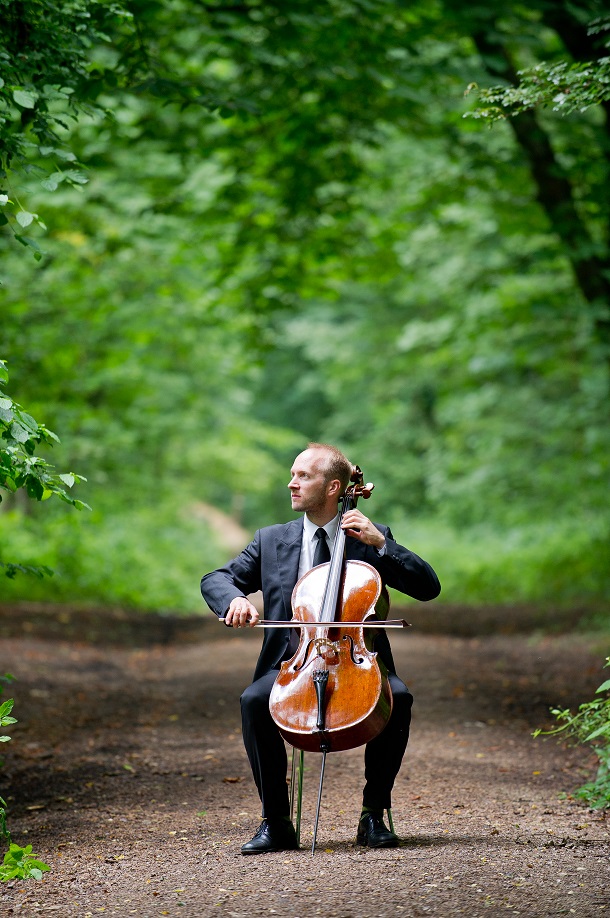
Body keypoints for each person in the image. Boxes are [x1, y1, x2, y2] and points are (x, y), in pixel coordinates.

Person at [200, 442, 440, 854]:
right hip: (292, 663)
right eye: (293, 474)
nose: (291, 483)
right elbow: (216, 578)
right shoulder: (271, 541)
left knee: (396, 697)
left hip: (358, 660)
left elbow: (427, 587)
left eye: (303, 476)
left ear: (334, 487)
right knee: (253, 701)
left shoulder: (367, 538)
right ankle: (275, 821)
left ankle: (372, 814)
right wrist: (234, 600)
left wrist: (383, 543)